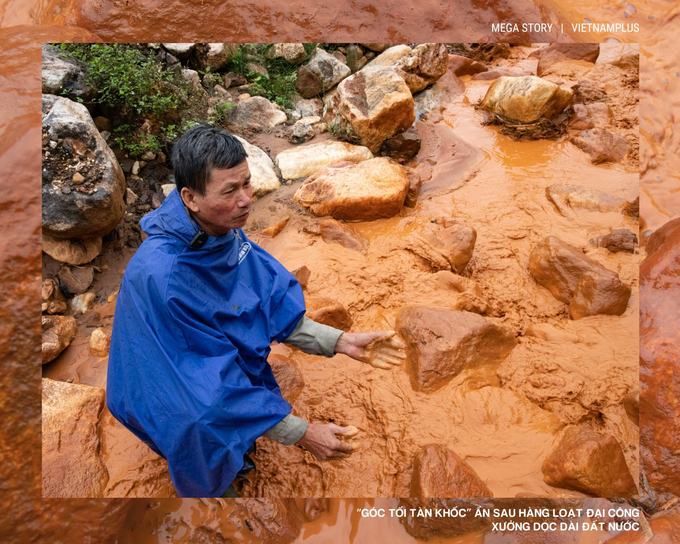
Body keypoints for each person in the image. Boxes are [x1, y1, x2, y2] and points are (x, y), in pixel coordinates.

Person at [106, 124, 405, 497]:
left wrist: (341, 342)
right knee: (205, 442)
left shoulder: (217, 228)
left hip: (195, 363)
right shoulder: (164, 276)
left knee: (237, 412)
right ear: (190, 197)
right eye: (230, 191)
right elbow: (208, 389)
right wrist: (303, 433)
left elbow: (266, 299)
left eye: (247, 183)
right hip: (162, 389)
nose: (246, 199)